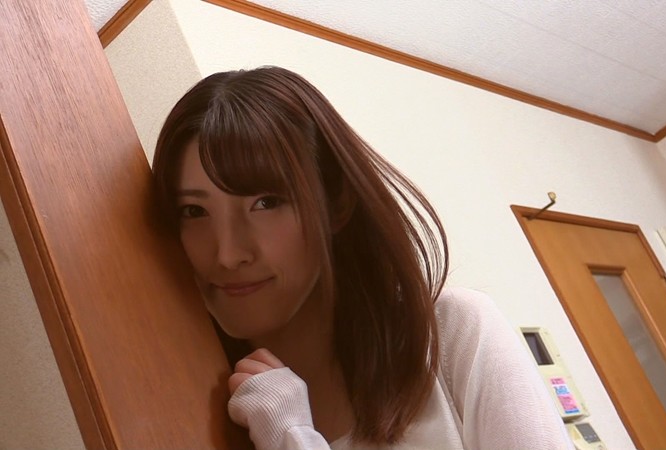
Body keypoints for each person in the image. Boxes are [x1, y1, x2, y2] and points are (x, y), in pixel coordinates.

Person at [152, 66, 571, 449]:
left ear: (336, 203)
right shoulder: (185, 404)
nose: (227, 254)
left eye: (266, 203)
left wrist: (290, 437)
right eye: (194, 211)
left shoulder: (450, 335)